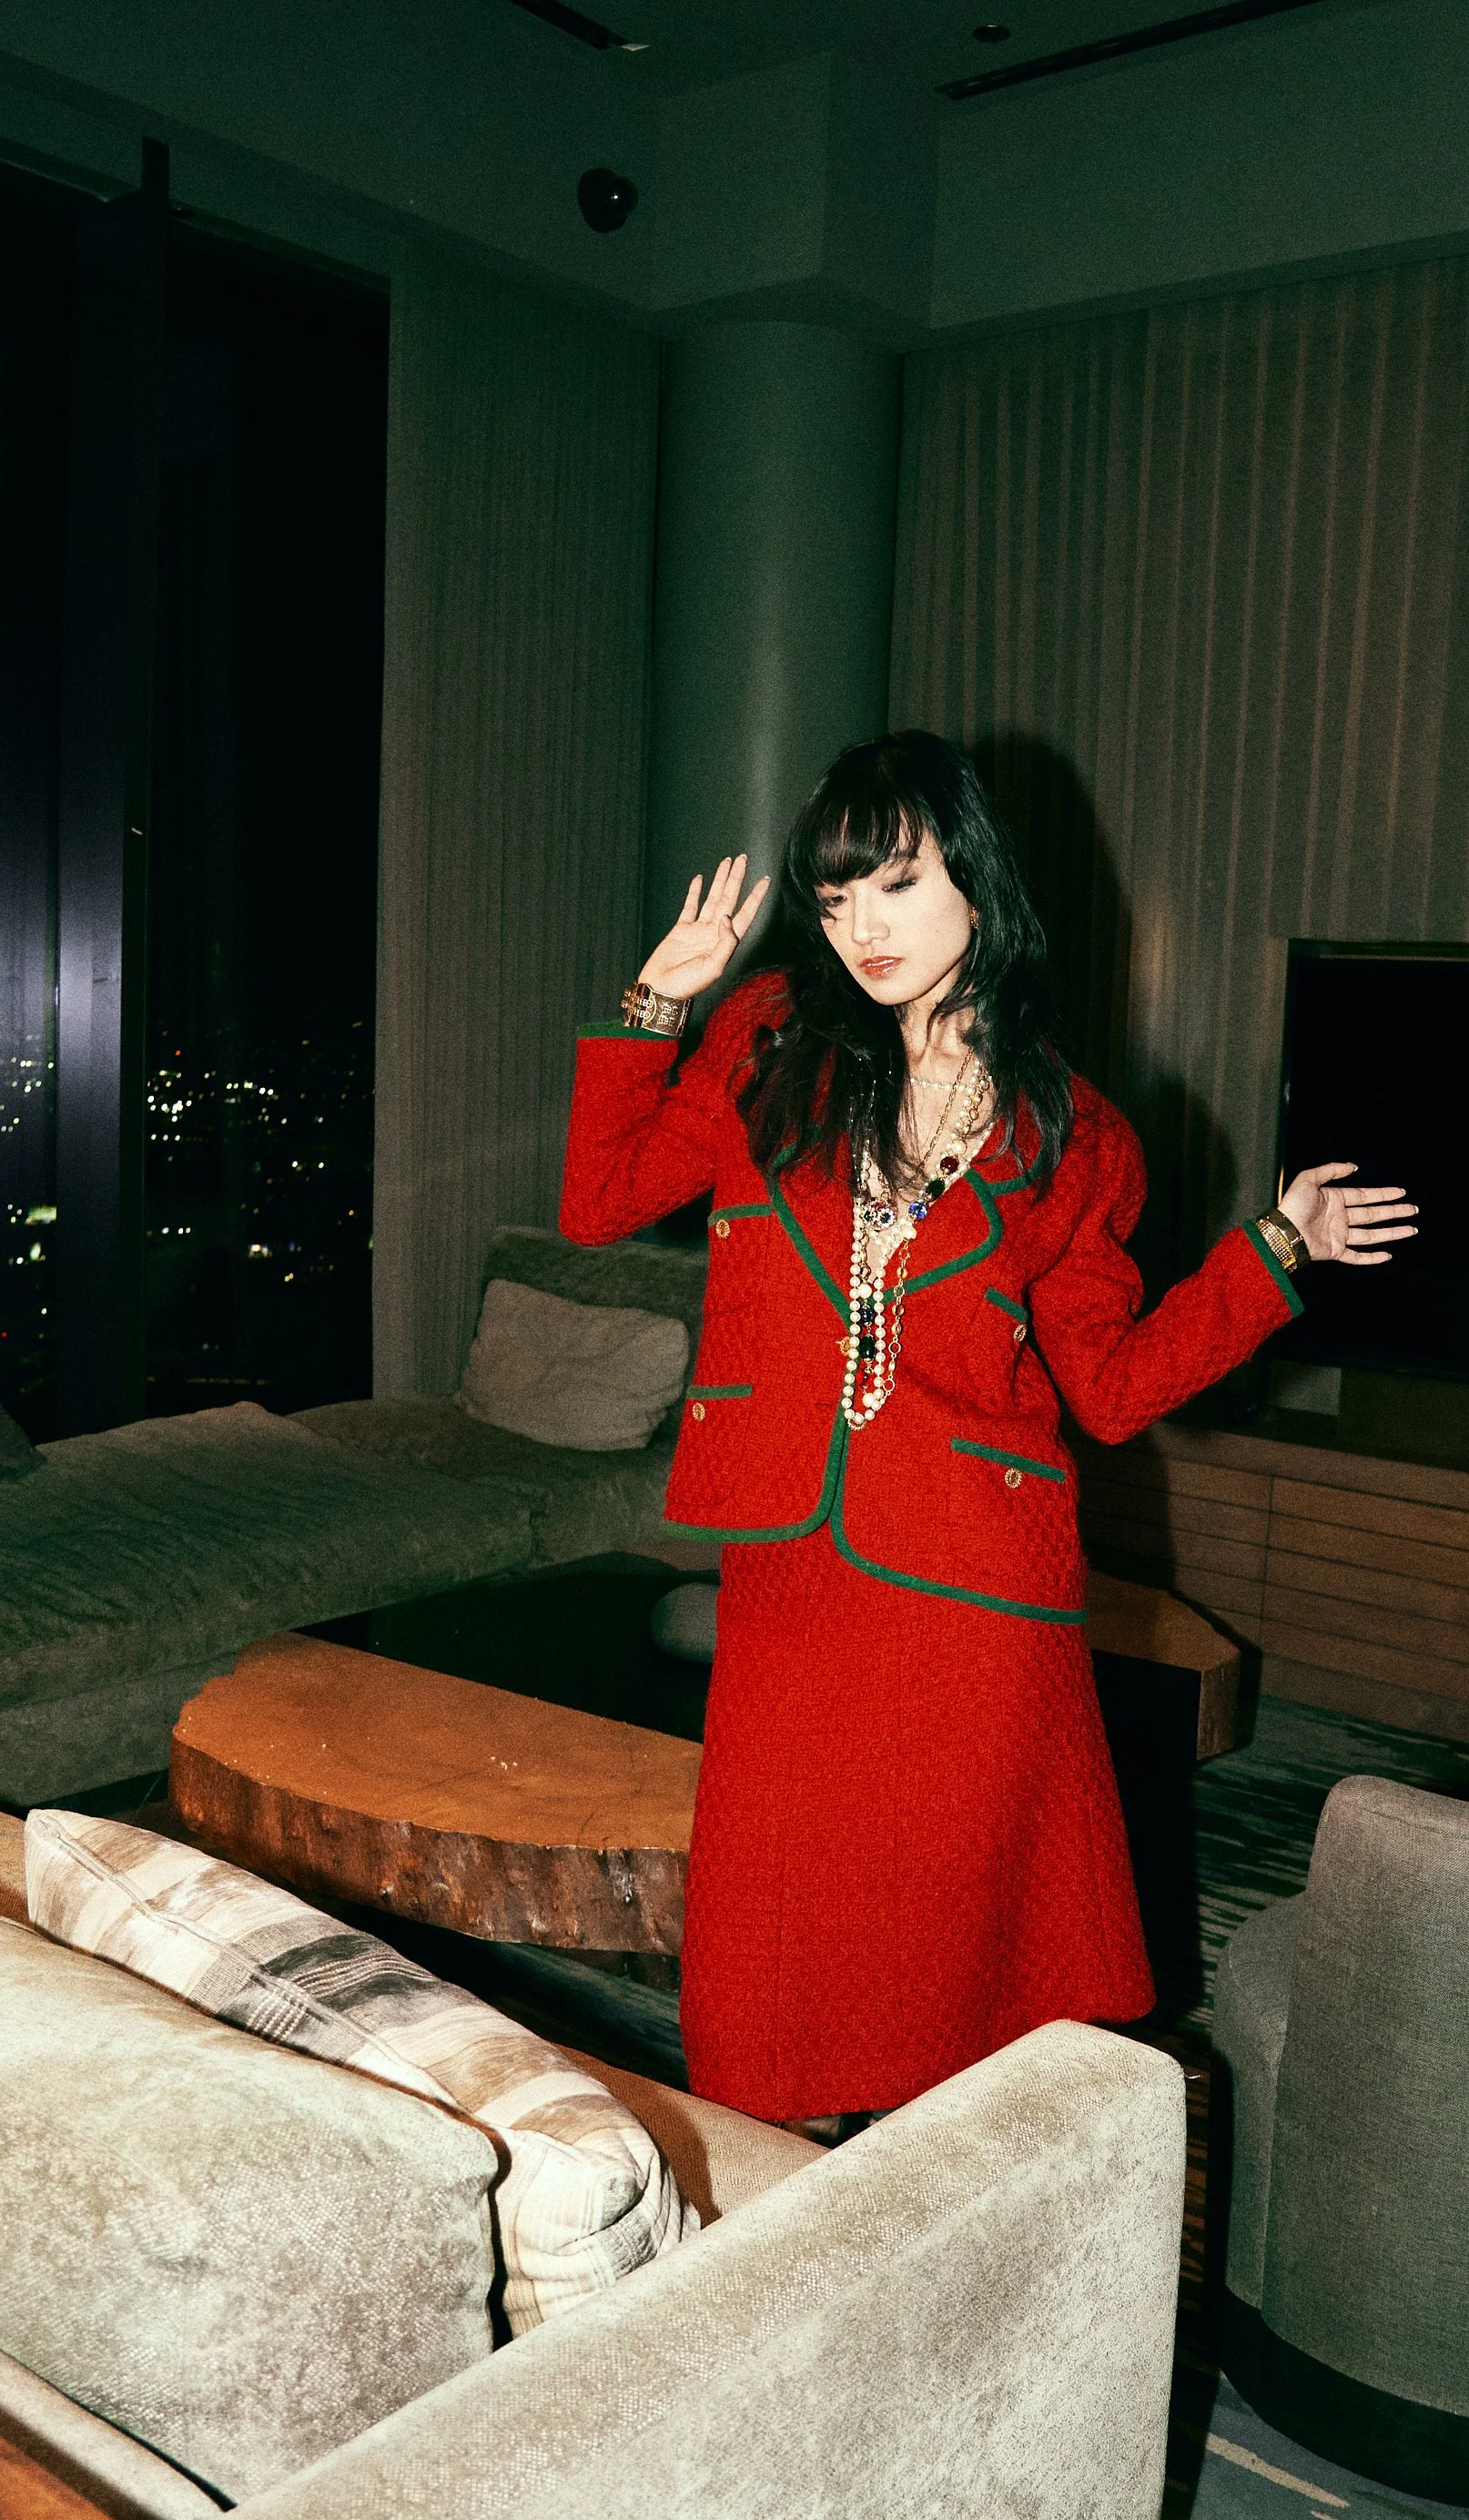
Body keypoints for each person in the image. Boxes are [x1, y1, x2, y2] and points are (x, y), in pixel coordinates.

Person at [560, 731, 1415, 2131]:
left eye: (893, 885)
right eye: (835, 902)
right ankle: (791, 2204)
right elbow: (598, 1201)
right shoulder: (769, 1041)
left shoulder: (1078, 1136)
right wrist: (654, 1003)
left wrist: (1272, 1251)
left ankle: (957, 2200)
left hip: (975, 1582)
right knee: (773, 1934)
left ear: (977, 881)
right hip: (791, 1556)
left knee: (956, 1938)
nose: (862, 930)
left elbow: (1114, 1388)